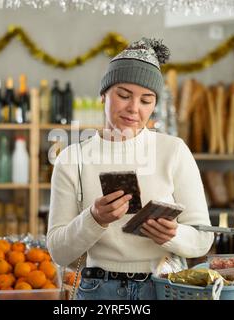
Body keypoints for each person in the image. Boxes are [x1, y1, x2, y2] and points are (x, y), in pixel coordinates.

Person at [47, 38, 213, 300]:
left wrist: (173, 235)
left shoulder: (174, 151)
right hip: (98, 291)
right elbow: (58, 252)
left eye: (146, 100)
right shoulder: (72, 159)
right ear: (103, 95)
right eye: (123, 95)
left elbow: (203, 239)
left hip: (163, 288)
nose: (134, 109)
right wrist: (94, 219)